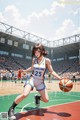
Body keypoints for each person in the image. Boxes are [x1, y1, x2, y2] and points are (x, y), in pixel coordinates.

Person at [8, 43, 62, 119]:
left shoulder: (47, 61)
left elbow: (52, 71)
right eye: (35, 52)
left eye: (38, 51)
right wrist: (24, 70)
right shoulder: (34, 60)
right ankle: (11, 109)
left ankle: (37, 98)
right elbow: (32, 68)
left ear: (42, 51)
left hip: (40, 82)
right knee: (25, 94)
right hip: (32, 79)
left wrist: (60, 78)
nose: (36, 53)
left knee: (46, 100)